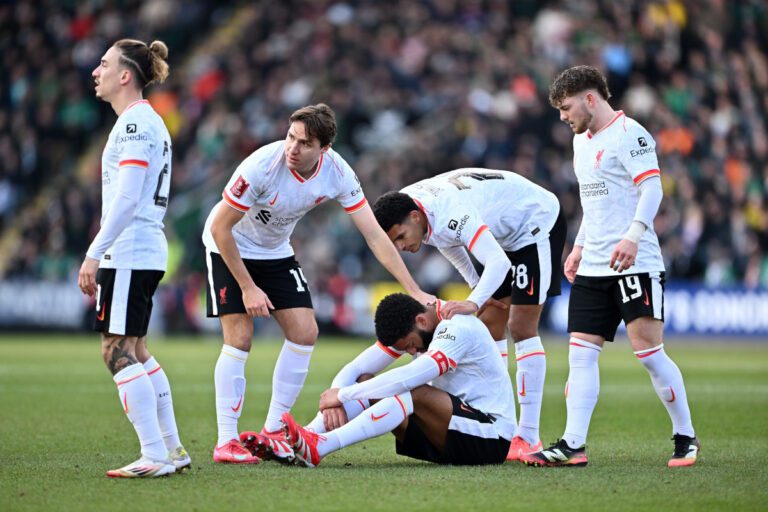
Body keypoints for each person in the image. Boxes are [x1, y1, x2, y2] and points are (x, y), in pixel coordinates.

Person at [202, 104, 434, 463]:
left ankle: (274, 429)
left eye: (304, 143)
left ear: (324, 149)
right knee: (240, 338)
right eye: (290, 137)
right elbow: (220, 227)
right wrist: (248, 287)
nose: (292, 148)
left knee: (305, 332)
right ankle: (226, 440)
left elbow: (374, 235)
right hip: (229, 245)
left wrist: (414, 288)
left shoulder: (338, 173)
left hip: (275, 251)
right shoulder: (261, 166)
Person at [522, 65, 699, 468]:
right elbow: (594, 202)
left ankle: (685, 435)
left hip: (635, 262)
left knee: (650, 354)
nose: (563, 117)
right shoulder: (581, 142)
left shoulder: (630, 135)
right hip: (594, 266)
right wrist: (580, 246)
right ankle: (572, 444)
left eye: (566, 108)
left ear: (590, 99)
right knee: (581, 355)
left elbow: (651, 188)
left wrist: (633, 236)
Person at [372, 169, 566, 460]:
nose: (401, 248)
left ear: (414, 217)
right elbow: (449, 243)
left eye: (400, 237)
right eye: (394, 243)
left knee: (522, 325)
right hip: (502, 232)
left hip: (533, 223)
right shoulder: (416, 209)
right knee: (490, 325)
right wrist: (478, 288)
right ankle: (499, 416)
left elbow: (497, 262)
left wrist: (473, 302)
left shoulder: (449, 210)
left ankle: (527, 435)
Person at [77, 39, 190, 478]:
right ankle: (172, 449)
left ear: (125, 75)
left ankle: (154, 454)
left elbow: (126, 197)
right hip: (142, 248)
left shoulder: (134, 126)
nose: (95, 71)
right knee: (138, 350)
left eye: (103, 64)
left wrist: (94, 252)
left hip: (130, 249)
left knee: (115, 350)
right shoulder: (144, 121)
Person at [275, 293, 517, 467]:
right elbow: (358, 367)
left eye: (411, 345)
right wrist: (336, 397)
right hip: (449, 436)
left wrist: (343, 395)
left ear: (422, 321)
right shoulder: (418, 324)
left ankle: (321, 446)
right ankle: (302, 440)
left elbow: (415, 375)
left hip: (491, 437)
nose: (411, 352)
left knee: (413, 391)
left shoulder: (458, 325)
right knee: (368, 379)